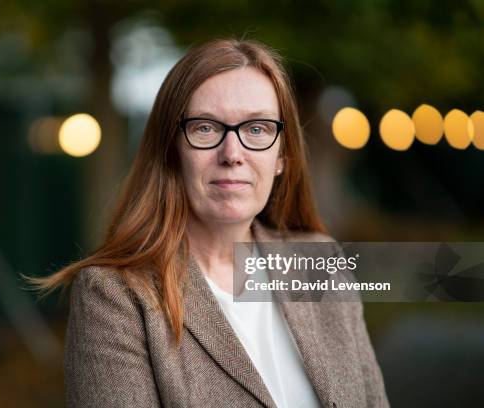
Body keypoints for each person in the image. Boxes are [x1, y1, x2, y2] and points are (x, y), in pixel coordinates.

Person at [31, 38, 389, 407]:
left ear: (282, 155)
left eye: (257, 129)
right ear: (172, 150)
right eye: (205, 128)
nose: (232, 154)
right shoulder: (115, 297)